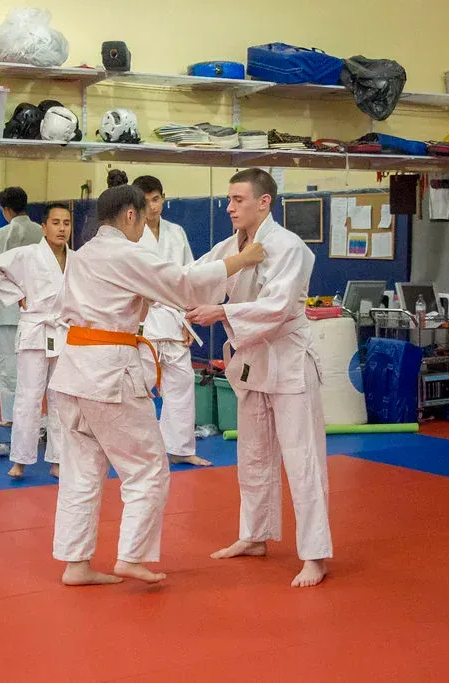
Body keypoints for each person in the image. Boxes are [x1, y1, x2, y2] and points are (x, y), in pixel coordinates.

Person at [49, 185, 264, 586]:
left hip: (73, 371)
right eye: (142, 217)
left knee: (81, 473)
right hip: (108, 375)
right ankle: (131, 556)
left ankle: (75, 564)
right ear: (130, 215)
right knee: (147, 467)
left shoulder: (84, 255)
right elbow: (183, 284)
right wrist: (241, 260)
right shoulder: (122, 253)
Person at [185, 168, 332, 588]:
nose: (229, 207)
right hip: (251, 361)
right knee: (252, 455)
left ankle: (316, 554)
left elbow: (278, 308)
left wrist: (223, 312)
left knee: (302, 459)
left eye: (238, 200)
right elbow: (197, 277)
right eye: (229, 200)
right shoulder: (231, 246)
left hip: (287, 361)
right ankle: (254, 536)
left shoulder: (289, 247)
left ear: (264, 202)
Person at [0, 202, 73, 480]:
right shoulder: (28, 254)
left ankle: (58, 458)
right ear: (43, 227)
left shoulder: (76, 259)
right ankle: (20, 459)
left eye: (66, 223)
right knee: (28, 397)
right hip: (35, 329)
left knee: (62, 399)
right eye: (55, 223)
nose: (62, 228)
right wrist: (15, 294)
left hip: (63, 332)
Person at [132, 175, 210, 468]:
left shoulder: (176, 232)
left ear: (163, 198)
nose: (152, 207)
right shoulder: (130, 234)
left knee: (182, 382)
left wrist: (189, 317)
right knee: (140, 385)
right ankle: (137, 450)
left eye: (156, 199)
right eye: (146, 201)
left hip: (176, 318)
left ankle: (179, 447)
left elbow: (188, 277)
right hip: (145, 318)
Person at [0, 187, 43, 428]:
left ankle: (12, 416)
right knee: (35, 366)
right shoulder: (41, 233)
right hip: (38, 310)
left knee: (8, 366)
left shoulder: (0, 236)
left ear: (5, 210)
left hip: (7, 309)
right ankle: (33, 414)